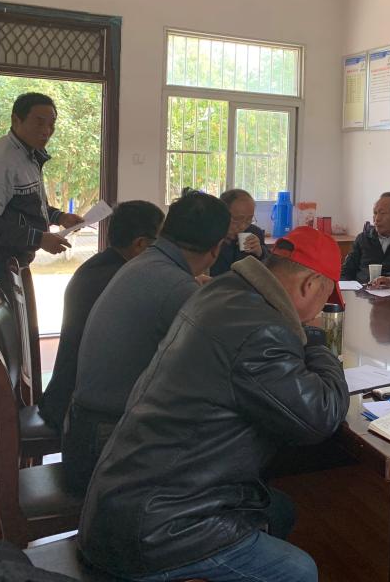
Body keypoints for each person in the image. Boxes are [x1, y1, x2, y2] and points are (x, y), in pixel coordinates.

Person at [78, 226, 349, 582]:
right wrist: (318, 343)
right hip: (157, 529)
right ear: (310, 284)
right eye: (325, 298)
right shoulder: (263, 330)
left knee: (280, 509)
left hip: (127, 497)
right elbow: (321, 415)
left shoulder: (222, 290)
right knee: (298, 571)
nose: (318, 311)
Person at [62, 191, 229, 491]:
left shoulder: (141, 264)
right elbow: (221, 362)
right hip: (106, 451)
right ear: (216, 249)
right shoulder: (176, 287)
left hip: (82, 432)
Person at [0, 92, 82, 427]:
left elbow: (22, 206)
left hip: (10, 262)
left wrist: (58, 217)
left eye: (52, 123)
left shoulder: (26, 155)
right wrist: (38, 238)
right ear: (16, 120)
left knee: (10, 341)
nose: (47, 130)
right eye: (39, 122)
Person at [38, 200, 164, 430]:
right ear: (140, 244)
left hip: (65, 395)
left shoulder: (99, 267)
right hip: (79, 412)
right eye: (161, 242)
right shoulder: (124, 281)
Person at [210, 188, 267, 276]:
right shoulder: (210, 235)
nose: (243, 226)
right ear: (222, 214)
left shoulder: (255, 233)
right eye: (237, 219)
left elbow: (270, 268)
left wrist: (261, 252)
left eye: (249, 219)